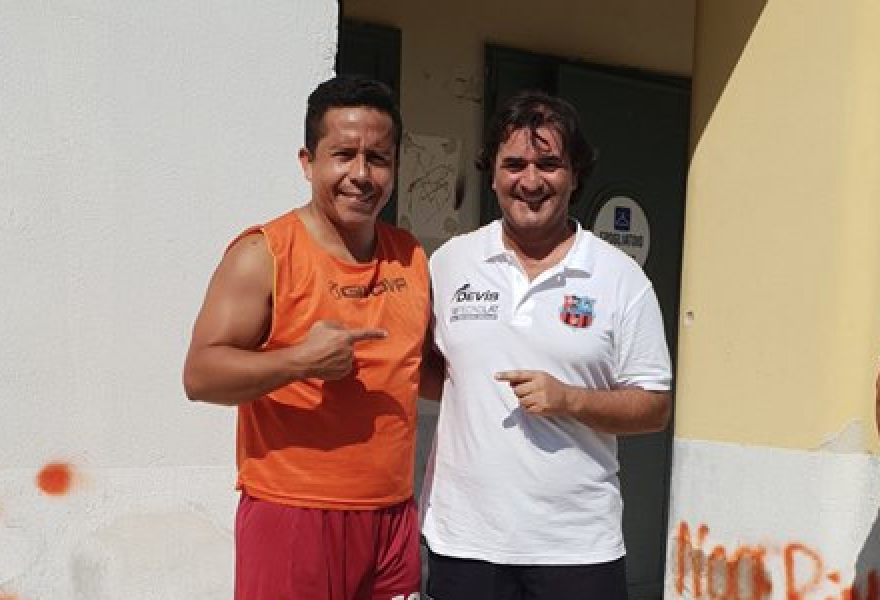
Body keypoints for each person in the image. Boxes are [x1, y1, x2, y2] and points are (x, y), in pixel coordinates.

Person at [183, 75, 430, 600]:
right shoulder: (263, 254)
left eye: (378, 158)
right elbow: (200, 375)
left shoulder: (410, 256)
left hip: (392, 519)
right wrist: (299, 361)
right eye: (343, 155)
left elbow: (421, 368)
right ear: (307, 162)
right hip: (294, 513)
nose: (360, 175)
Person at [418, 90, 673, 600]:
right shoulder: (450, 264)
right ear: (493, 174)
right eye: (514, 164)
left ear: (575, 175)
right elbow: (428, 370)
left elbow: (654, 407)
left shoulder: (620, 278)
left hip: (576, 550)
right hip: (465, 542)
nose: (531, 182)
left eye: (549, 165)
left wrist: (571, 399)